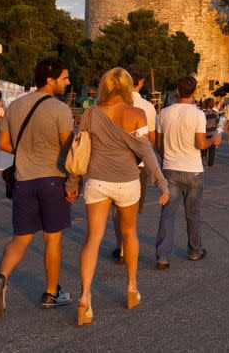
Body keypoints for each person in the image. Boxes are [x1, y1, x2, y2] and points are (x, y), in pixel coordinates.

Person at [75, 68, 170, 325]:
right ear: (128, 87)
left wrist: (72, 183)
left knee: (93, 238)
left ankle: (84, 297)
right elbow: (146, 152)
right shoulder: (137, 114)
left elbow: (79, 147)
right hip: (127, 181)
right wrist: (161, 182)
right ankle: (131, 287)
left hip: (97, 181)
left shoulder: (91, 113)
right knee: (129, 233)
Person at [0, 57, 77, 318]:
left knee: (21, 238)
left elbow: (3, 144)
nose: (68, 82)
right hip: (52, 180)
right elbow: (69, 149)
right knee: (52, 238)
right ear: (50, 80)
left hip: (24, 181)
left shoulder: (15, 106)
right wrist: (73, 182)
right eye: (64, 78)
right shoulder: (60, 109)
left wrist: (27, 149)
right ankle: (51, 293)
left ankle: (1, 277)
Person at [155, 76, 219, 270]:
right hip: (192, 170)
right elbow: (200, 144)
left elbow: (158, 144)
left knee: (168, 212)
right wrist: (213, 141)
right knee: (193, 212)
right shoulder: (198, 114)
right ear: (194, 92)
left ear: (177, 90)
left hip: (170, 168)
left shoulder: (164, 113)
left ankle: (162, 256)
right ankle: (194, 250)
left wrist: (167, 157)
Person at [110, 64, 158, 264]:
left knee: (115, 208)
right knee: (131, 207)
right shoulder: (147, 107)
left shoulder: (109, 103)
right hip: (136, 164)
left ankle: (120, 243)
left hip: (111, 163)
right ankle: (125, 248)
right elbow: (151, 139)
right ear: (142, 83)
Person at [201, 98, 220, 167]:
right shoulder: (215, 113)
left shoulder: (202, 113)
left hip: (204, 132)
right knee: (212, 149)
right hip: (213, 133)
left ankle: (203, 157)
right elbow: (217, 122)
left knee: (204, 147)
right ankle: (210, 163)